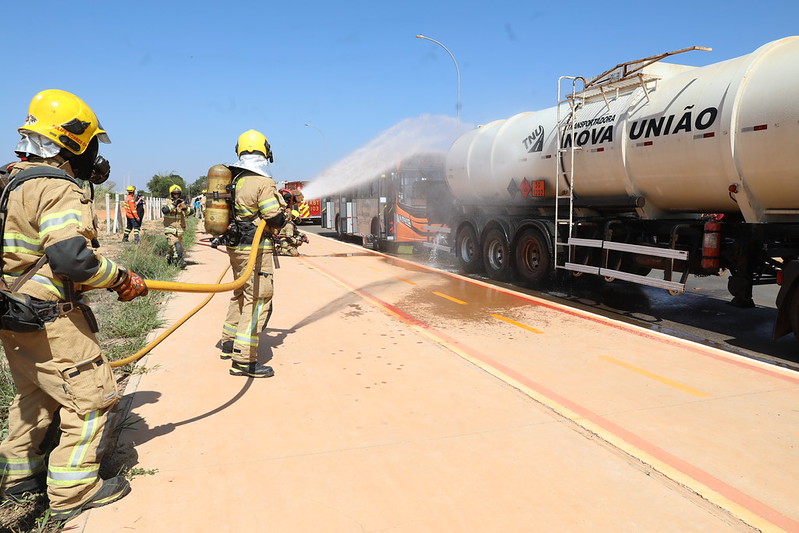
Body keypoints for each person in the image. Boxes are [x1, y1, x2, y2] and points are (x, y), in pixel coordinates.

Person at [0, 89, 148, 522]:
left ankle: (18, 479)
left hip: (12, 313)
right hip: (50, 318)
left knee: (34, 396)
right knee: (92, 398)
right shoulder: (55, 187)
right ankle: (73, 491)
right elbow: (71, 259)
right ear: (74, 141)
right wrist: (120, 278)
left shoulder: (11, 182)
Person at [219, 129, 287, 378]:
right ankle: (243, 360)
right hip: (256, 250)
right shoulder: (263, 182)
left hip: (235, 247)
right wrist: (285, 214)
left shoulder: (234, 178)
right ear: (265, 151)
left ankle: (229, 342)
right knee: (258, 299)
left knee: (240, 292)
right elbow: (273, 216)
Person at [161, 184, 194, 268]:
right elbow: (165, 210)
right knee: (176, 245)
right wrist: (174, 204)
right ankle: (180, 261)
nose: (176, 195)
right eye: (174, 194)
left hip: (180, 231)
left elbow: (191, 212)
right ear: (171, 194)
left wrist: (185, 208)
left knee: (174, 247)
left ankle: (169, 257)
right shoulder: (167, 202)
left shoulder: (182, 203)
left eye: (178, 194)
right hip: (170, 229)